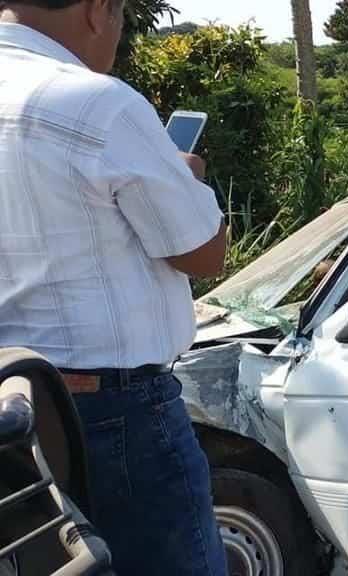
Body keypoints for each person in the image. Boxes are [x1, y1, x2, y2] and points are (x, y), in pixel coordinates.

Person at [0, 1, 228, 575]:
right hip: (113, 415)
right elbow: (205, 253)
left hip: (12, 407)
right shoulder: (99, 105)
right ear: (99, 10)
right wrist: (185, 180)